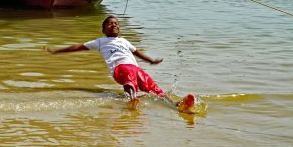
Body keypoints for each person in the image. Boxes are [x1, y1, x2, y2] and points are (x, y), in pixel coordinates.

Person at [45, 15, 191, 108]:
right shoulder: (100, 41)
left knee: (153, 87)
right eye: (109, 24)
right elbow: (79, 47)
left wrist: (151, 61)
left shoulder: (124, 41)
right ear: (103, 30)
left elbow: (137, 52)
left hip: (136, 69)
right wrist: (57, 51)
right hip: (120, 69)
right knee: (129, 75)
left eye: (116, 23)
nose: (114, 25)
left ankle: (175, 104)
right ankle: (132, 99)